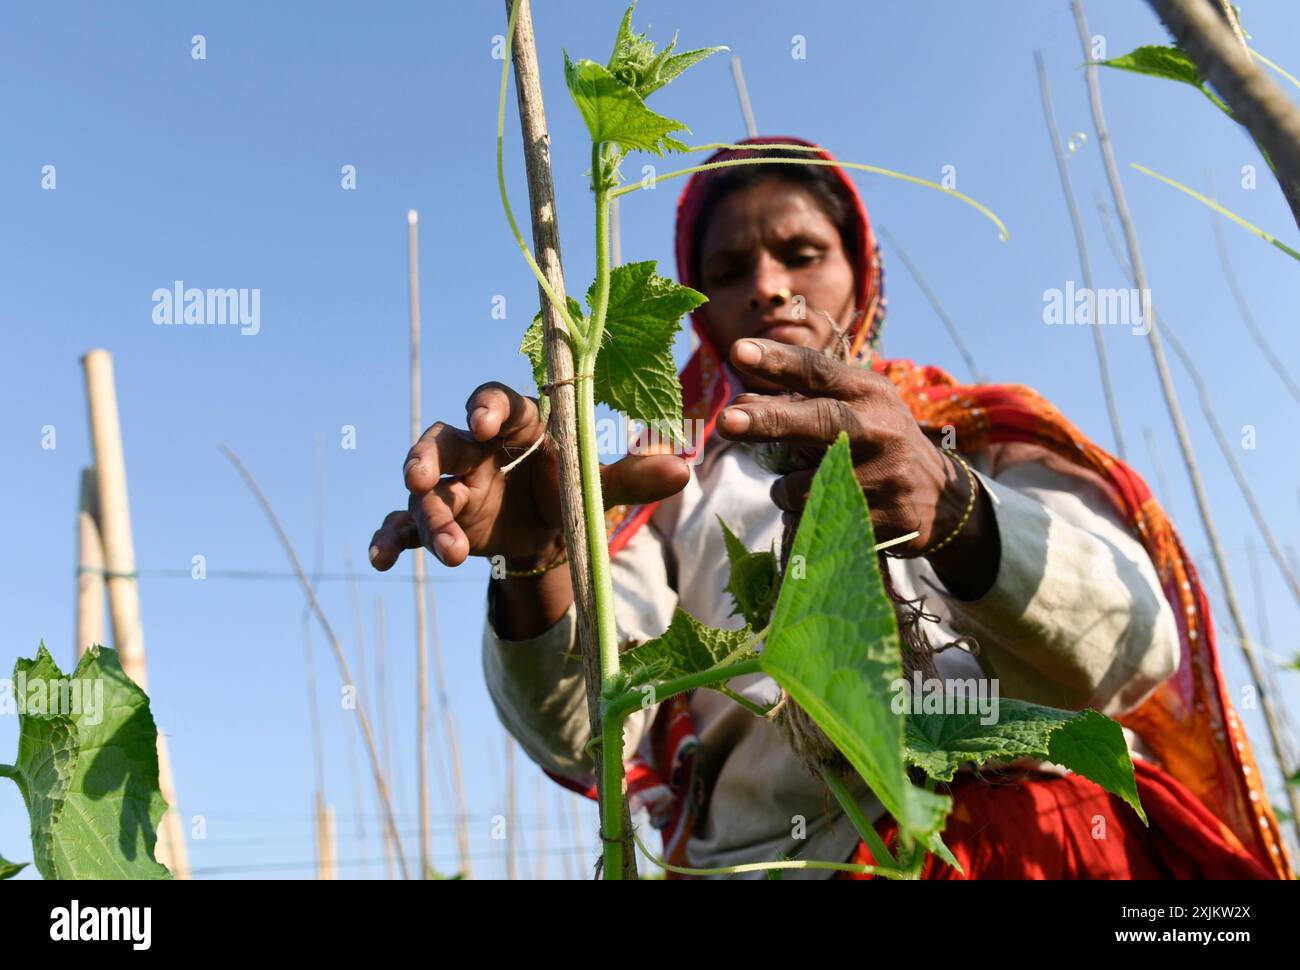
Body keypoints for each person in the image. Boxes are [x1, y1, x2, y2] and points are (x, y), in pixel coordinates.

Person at [369, 137, 1289, 880]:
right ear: (700, 310)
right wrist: (533, 564)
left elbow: (1136, 650)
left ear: (862, 272)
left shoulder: (982, 432)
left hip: (1055, 853)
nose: (769, 285)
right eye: (729, 269)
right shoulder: (667, 485)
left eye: (802, 254)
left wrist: (959, 509)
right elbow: (585, 731)